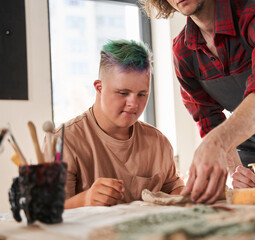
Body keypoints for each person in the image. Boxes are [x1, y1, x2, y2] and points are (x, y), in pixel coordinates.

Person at [140, 0, 255, 203]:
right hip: (249, 149)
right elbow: (209, 119)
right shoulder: (183, 51)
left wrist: (218, 143)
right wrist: (236, 171)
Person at [54, 40, 184, 209]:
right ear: (99, 88)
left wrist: (188, 193)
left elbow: (175, 190)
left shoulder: (159, 143)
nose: (134, 104)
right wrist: (85, 200)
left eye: (142, 94)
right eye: (123, 93)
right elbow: (48, 213)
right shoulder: (63, 142)